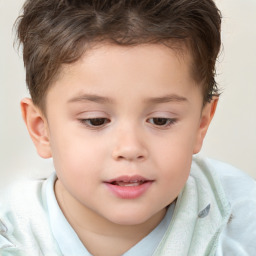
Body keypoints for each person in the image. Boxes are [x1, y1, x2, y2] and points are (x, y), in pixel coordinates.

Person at [0, 0, 255, 255]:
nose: (130, 148)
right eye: (96, 120)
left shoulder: (244, 226)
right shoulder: (11, 236)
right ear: (41, 128)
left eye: (161, 120)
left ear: (202, 123)